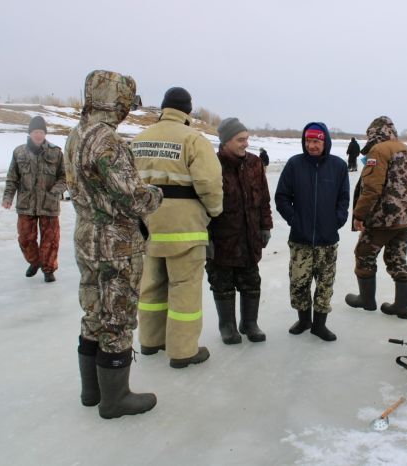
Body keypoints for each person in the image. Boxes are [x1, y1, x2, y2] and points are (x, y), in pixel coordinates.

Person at [64, 70, 163, 419]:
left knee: (93, 311)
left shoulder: (75, 136)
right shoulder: (108, 141)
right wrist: (154, 195)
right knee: (117, 318)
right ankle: (115, 398)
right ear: (117, 101)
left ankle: (92, 392)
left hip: (86, 236)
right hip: (116, 243)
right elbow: (133, 197)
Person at [131, 87, 224, 368]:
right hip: (184, 227)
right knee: (184, 288)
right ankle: (183, 351)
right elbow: (209, 183)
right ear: (187, 111)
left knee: (152, 286)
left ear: (163, 108)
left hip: (147, 225)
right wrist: (214, 211)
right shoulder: (192, 140)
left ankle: (150, 340)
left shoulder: (138, 140)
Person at [345, 116, 407, 319]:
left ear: (374, 133)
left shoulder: (379, 150)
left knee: (364, 253)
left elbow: (372, 187)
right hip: (406, 216)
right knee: (397, 257)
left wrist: (359, 214)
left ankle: (366, 300)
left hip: (385, 216)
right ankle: (401, 306)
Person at [275, 122, 349, 341]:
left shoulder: (338, 166)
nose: (311, 145)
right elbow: (281, 197)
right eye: (308, 141)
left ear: (324, 141)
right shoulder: (294, 164)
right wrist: (293, 219)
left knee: (325, 284)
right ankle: (304, 320)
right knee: (299, 283)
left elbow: (343, 198)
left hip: (328, 239)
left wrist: (337, 219)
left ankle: (319, 325)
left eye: (316, 141)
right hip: (301, 239)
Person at [206, 118, 272, 345]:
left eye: (247, 138)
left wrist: (265, 226)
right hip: (222, 238)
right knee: (222, 283)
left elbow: (264, 198)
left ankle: (249, 323)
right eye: (240, 139)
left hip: (249, 236)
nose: (246, 143)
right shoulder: (211, 165)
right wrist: (206, 237)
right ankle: (228, 326)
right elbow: (202, 204)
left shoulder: (254, 163)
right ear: (226, 141)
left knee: (251, 281)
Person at [2, 116, 66, 282]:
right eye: (35, 132)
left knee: (50, 240)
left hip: (49, 204)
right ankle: (35, 261)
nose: (38, 135)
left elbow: (65, 177)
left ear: (45, 133)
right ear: (30, 133)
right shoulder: (19, 152)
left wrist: (55, 192)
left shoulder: (56, 152)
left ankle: (48, 269)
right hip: (26, 204)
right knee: (25, 238)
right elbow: (12, 178)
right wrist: (8, 197)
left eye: (41, 132)